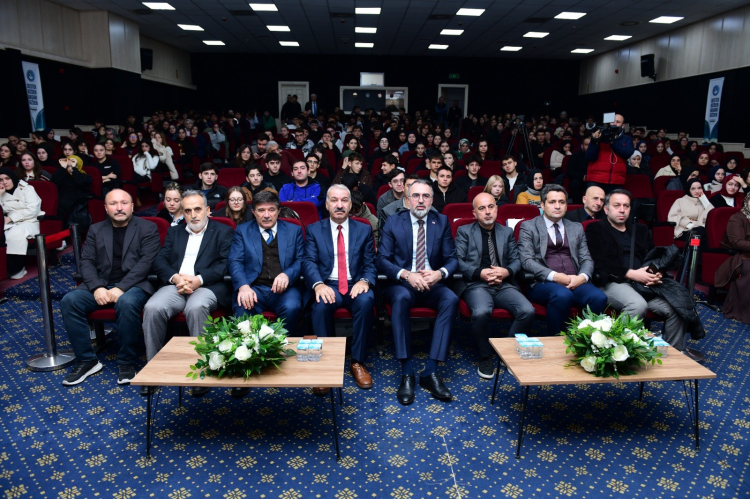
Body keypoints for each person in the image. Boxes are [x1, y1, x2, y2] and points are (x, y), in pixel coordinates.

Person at [588, 190, 705, 358]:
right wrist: (632, 274)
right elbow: (599, 262)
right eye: (617, 205)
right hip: (613, 282)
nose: (622, 210)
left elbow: (653, 256)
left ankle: (669, 357)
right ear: (606, 209)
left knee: (678, 307)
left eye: (626, 206)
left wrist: (657, 273)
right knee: (638, 305)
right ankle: (615, 353)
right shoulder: (596, 228)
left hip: (644, 283)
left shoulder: (640, 229)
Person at [60, 190, 160, 386]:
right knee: (69, 301)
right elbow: (86, 262)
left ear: (132, 206)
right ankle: (87, 360)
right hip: (102, 284)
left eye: (124, 203)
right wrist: (97, 287)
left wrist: (120, 288)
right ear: (106, 208)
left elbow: (146, 263)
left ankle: (126, 362)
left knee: (126, 302)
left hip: (135, 284)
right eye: (113, 204)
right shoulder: (96, 229)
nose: (119, 208)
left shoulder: (148, 228)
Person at [143, 190, 234, 396]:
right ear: (182, 213)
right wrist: (176, 278)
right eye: (188, 211)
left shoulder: (223, 231)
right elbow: (159, 261)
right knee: (153, 307)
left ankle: (203, 368)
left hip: (207, 285)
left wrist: (198, 279)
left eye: (197, 209)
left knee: (196, 307)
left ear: (207, 210)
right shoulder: (175, 232)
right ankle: (153, 369)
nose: (193, 215)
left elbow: (226, 264)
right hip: (176, 285)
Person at [376, 179, 459, 405]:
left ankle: (430, 371)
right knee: (401, 298)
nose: (420, 200)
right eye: (416, 196)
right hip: (402, 283)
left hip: (432, 283)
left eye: (425, 196)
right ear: (407, 200)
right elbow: (382, 260)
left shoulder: (441, 221)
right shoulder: (393, 221)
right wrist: (406, 274)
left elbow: (452, 259)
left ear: (432, 200)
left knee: (451, 299)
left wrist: (439, 273)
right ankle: (407, 372)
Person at [228, 190, 305, 395]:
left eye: (271, 210)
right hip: (254, 287)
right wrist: (243, 286)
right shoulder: (243, 230)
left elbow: (301, 260)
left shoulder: (294, 230)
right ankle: (246, 366)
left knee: (292, 306)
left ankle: (281, 360)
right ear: (253, 212)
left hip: (284, 289)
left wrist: (288, 274)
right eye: (261, 210)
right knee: (242, 308)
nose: (267, 215)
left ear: (278, 211)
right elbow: (235, 261)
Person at [303, 185, 377, 393]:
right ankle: (325, 366)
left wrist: (365, 281)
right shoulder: (314, 229)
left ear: (350, 205)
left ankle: (358, 362)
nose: (339, 205)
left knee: (366, 301)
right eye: (334, 200)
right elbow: (308, 261)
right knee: (320, 305)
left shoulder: (363, 229)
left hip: (355, 283)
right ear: (326, 205)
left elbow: (371, 263)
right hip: (328, 284)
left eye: (344, 200)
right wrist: (318, 284)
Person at [453, 193, 535, 378]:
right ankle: (485, 356)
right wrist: (479, 272)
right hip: (476, 284)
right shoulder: (464, 231)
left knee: (527, 310)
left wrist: (506, 271)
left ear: (497, 209)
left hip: (503, 283)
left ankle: (506, 353)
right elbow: (457, 260)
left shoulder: (506, 232)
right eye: (482, 208)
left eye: (491, 207)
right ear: (474, 213)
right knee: (481, 312)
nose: (487, 212)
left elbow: (516, 260)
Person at [518, 184, 607, 336]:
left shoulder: (576, 227)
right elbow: (527, 260)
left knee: (599, 297)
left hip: (575, 280)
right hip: (543, 282)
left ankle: (587, 341)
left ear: (566, 205)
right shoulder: (529, 227)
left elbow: (586, 259)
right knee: (562, 295)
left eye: (562, 202)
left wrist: (582, 277)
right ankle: (556, 338)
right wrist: (555, 276)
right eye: (552, 202)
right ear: (542, 205)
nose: (557, 206)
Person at [0, 168, 42, 279]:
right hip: (9, 222)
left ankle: (17, 268)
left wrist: (11, 218)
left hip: (30, 220)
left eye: (7, 178)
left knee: (14, 234)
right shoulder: (1, 192)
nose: (4, 182)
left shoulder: (27, 189)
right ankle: (5, 268)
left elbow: (33, 209)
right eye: (1, 180)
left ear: (12, 178)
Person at [716, 194, 750, 324]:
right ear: (747, 202)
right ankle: (745, 312)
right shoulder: (737, 218)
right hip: (741, 257)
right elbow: (737, 242)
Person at [585, 113, 633, 192]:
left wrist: (612, 142)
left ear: (623, 125)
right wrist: (594, 141)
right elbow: (589, 157)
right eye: (613, 121)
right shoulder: (600, 135)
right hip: (596, 178)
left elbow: (627, 153)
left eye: (618, 122)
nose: (614, 124)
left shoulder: (627, 139)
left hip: (616, 180)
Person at [667, 178, 713, 247]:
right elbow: (673, 217)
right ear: (689, 190)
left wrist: (705, 201)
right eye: (693, 189)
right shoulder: (680, 201)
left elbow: (712, 215)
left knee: (704, 233)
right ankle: (694, 252)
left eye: (699, 188)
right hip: (684, 230)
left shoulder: (704, 202)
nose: (697, 191)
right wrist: (689, 225)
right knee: (698, 233)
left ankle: (699, 253)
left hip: (701, 229)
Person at [51, 155, 92, 229]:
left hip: (78, 205)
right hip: (63, 205)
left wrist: (74, 171)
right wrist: (63, 168)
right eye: (68, 166)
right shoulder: (63, 175)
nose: (70, 168)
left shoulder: (84, 176)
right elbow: (53, 183)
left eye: (73, 166)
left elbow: (83, 183)